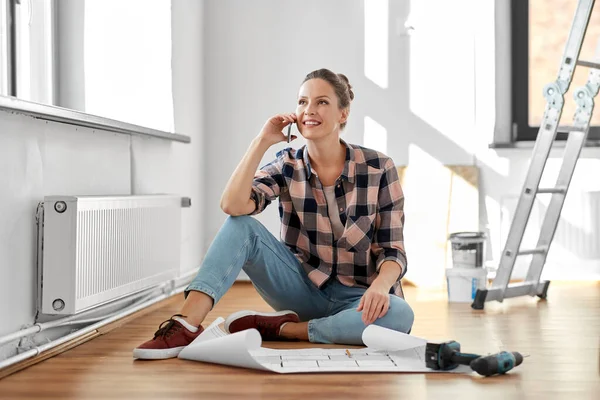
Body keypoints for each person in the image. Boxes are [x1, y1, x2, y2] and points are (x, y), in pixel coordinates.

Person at [133, 68, 414, 360]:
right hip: (301, 289)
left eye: (321, 102)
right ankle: (186, 325)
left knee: (400, 316)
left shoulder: (379, 167)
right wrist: (262, 141)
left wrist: (381, 287)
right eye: (302, 102)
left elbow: (393, 250)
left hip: (359, 299)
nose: (309, 111)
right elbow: (232, 205)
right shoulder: (286, 165)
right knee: (240, 226)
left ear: (343, 114)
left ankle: (286, 330)